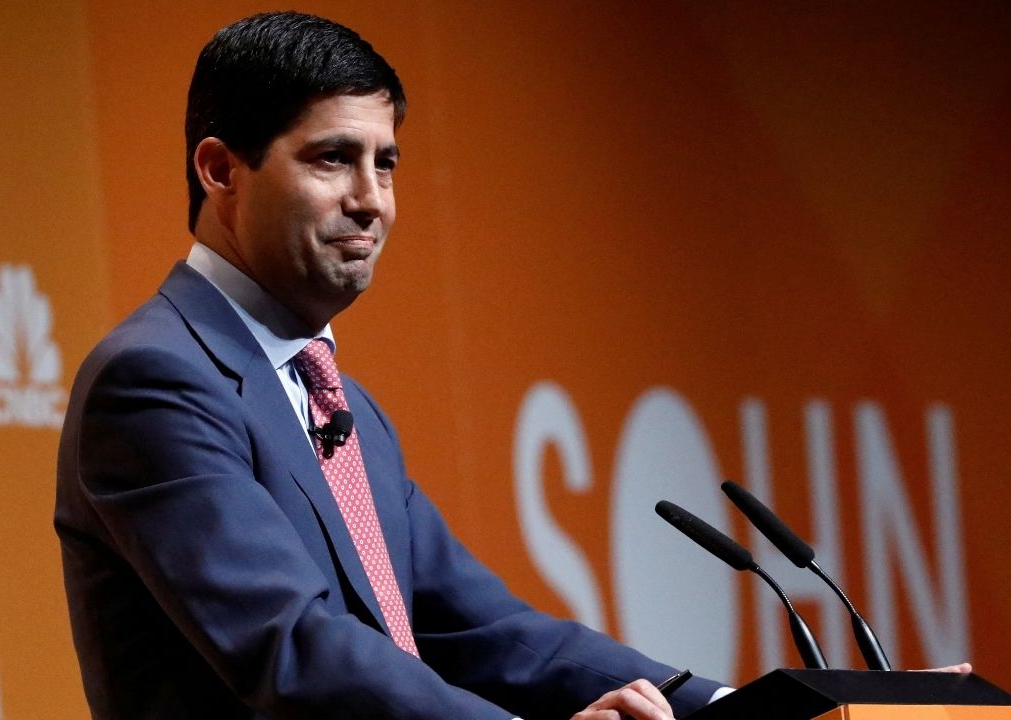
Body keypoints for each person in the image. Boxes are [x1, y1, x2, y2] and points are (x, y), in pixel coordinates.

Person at [54, 11, 730, 719]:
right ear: (221, 170)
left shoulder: (345, 407)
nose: (371, 200)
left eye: (385, 163)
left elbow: (487, 633)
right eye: (332, 158)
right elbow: (293, 649)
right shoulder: (154, 382)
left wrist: (726, 705)